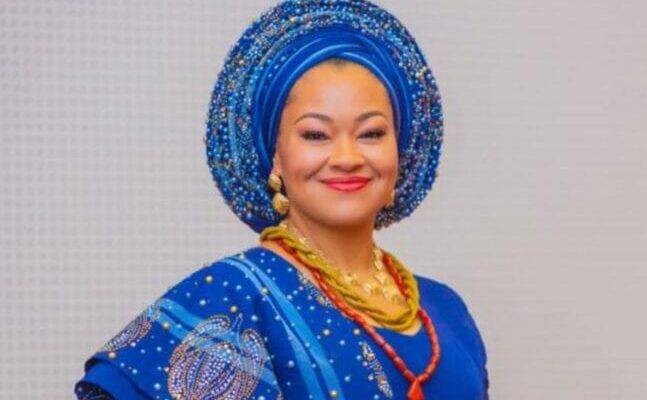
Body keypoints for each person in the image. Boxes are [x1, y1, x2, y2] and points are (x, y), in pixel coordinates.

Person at [74, 1, 489, 399]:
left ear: (399, 149)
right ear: (275, 156)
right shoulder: (235, 298)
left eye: (371, 133)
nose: (347, 157)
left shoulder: (445, 309)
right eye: (315, 135)